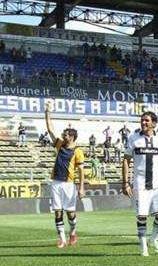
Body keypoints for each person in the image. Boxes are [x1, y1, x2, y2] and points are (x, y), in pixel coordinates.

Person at [122, 111, 158, 257]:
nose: (143, 123)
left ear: (154, 123)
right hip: (140, 184)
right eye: (142, 120)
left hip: (157, 183)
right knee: (142, 215)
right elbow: (126, 160)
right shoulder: (133, 138)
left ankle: (154, 239)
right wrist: (125, 182)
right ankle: (143, 246)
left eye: (147, 121)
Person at [44, 104, 85, 248]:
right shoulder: (59, 145)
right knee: (57, 211)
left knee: (71, 213)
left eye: (66, 134)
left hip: (69, 184)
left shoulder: (78, 151)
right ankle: (62, 239)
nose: (63, 135)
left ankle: (73, 232)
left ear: (72, 137)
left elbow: (80, 171)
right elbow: (50, 129)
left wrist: (81, 188)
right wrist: (48, 112)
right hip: (56, 182)